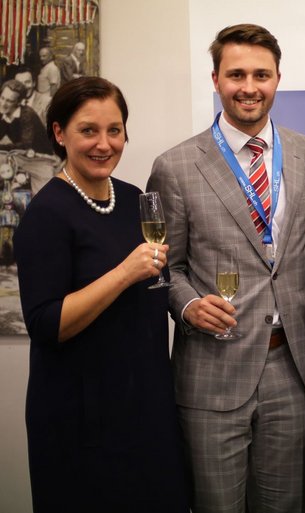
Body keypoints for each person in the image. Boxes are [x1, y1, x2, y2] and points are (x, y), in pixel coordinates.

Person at [147, 23, 305, 513]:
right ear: (216, 79)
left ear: (278, 79)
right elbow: (163, 266)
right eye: (236, 74)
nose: (249, 87)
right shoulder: (176, 166)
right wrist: (187, 306)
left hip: (291, 367)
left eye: (261, 75)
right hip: (213, 371)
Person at [13, 76, 189, 512]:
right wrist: (124, 273)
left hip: (145, 404)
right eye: (88, 130)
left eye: (115, 130)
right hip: (82, 419)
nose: (104, 144)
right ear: (59, 133)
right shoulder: (46, 213)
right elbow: (47, 325)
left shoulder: (133, 199)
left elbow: (154, 290)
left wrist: (190, 305)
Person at [0, 79, 52, 154]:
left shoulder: (27, 115)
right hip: (24, 155)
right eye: (2, 98)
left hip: (42, 156)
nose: (3, 103)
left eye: (9, 101)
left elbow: (25, 145)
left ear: (18, 102)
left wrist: (1, 147)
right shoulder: (3, 112)